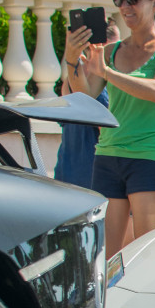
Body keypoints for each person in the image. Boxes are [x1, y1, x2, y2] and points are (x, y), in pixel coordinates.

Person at [61, 0, 155, 258]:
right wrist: (70, 60)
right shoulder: (110, 50)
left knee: (146, 255)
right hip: (107, 154)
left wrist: (107, 72)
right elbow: (84, 96)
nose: (125, 6)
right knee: (104, 258)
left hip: (149, 156)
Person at [54, 17, 119, 188]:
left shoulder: (73, 76)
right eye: (116, 44)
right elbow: (107, 130)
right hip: (93, 175)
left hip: (67, 171)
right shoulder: (102, 79)